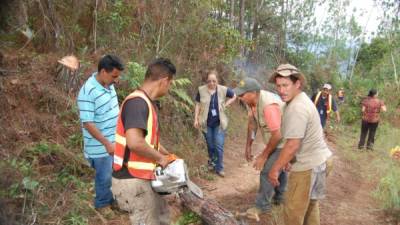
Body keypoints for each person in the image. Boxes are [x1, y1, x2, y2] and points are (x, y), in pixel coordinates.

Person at [111, 58, 176, 225]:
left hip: (144, 177)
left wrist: (167, 155)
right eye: (170, 84)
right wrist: (161, 159)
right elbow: (135, 142)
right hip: (132, 179)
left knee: (161, 219)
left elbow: (148, 140)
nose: (169, 88)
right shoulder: (137, 103)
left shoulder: (146, 102)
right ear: (164, 81)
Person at [268, 64, 333, 225]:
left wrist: (274, 170)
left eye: (285, 85)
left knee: (292, 212)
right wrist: (289, 160)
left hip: (308, 167)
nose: (281, 90)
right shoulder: (300, 99)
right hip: (321, 161)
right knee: (310, 207)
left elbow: (292, 145)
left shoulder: (297, 107)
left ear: (297, 84)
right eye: (278, 86)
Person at [233, 77, 287, 219]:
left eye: (242, 94)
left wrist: (263, 156)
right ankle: (280, 198)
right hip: (277, 140)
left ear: (254, 93)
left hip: (285, 142)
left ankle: (262, 206)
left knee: (267, 171)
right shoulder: (251, 102)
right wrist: (248, 146)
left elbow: (278, 135)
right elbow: (252, 123)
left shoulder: (268, 106)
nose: (240, 97)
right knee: (279, 168)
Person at [77, 55, 124, 215]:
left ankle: (112, 200)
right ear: (103, 71)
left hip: (114, 141)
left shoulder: (107, 84)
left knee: (114, 175)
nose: (116, 80)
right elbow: (88, 123)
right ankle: (102, 204)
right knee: (104, 177)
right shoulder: (87, 91)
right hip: (100, 146)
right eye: (114, 76)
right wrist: (106, 143)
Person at [193, 70, 236, 177]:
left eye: (214, 81)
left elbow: (234, 95)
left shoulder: (223, 89)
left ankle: (219, 168)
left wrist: (226, 104)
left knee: (218, 145)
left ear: (217, 81)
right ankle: (212, 163)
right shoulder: (201, 90)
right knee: (210, 145)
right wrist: (196, 119)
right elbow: (198, 104)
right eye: (209, 81)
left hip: (219, 123)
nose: (211, 83)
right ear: (206, 81)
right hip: (206, 123)